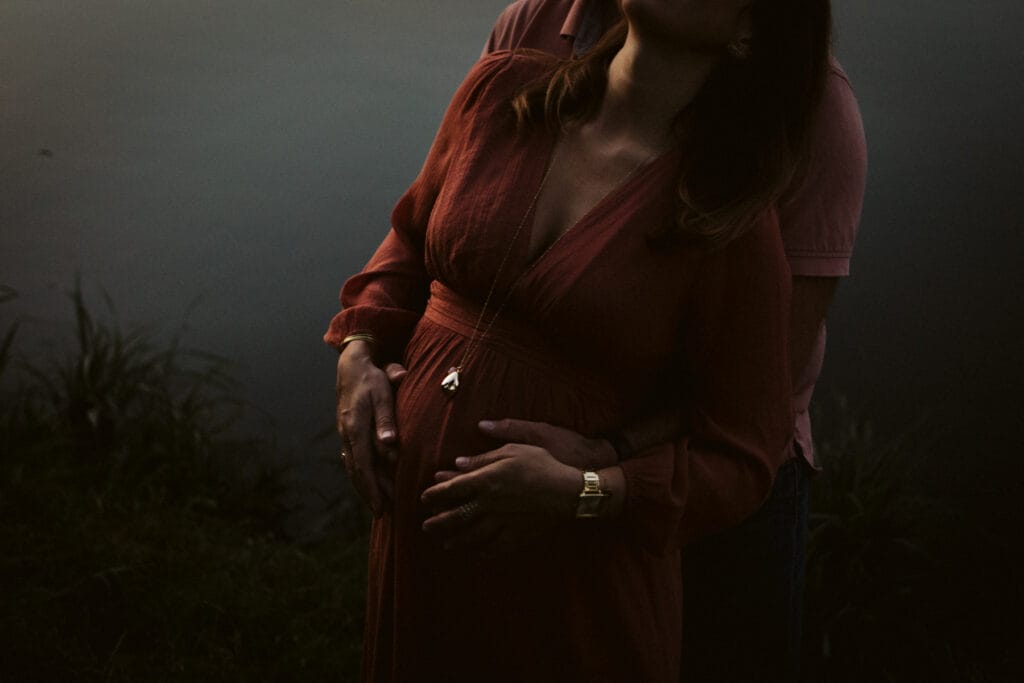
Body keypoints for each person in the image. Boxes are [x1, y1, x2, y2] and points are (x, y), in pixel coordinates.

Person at [327, 0, 831, 679]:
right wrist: (359, 351)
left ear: (748, 33)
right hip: (422, 564)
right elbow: (412, 239)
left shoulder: (726, 221)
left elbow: (743, 453)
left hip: (569, 591)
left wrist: (587, 488)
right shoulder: (503, 91)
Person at [481, 1, 867, 680]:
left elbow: (768, 373)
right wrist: (369, 342)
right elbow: (461, 204)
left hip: (715, 487)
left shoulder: (817, 112)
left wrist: (605, 461)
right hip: (542, 464)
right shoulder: (534, 27)